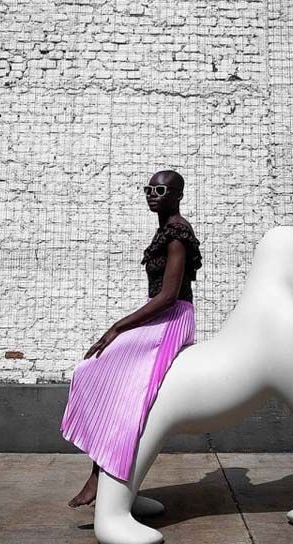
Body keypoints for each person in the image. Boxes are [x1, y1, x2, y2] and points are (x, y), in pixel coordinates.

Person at [60, 169, 202, 507]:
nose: (153, 194)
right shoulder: (164, 230)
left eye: (161, 190)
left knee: (125, 384)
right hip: (159, 315)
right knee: (90, 371)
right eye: (149, 189)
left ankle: (102, 476)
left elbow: (168, 296)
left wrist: (117, 327)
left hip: (172, 318)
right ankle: (99, 470)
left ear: (178, 195)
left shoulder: (178, 233)